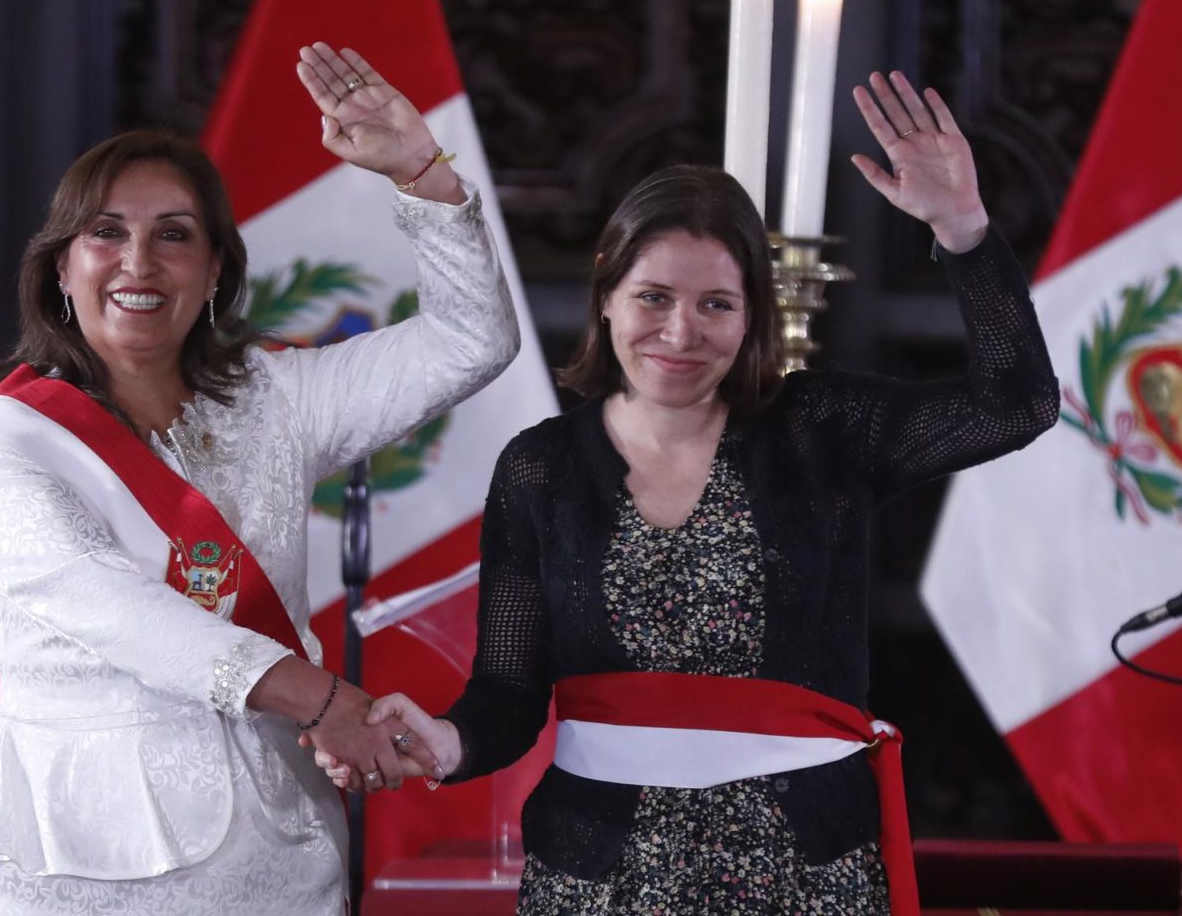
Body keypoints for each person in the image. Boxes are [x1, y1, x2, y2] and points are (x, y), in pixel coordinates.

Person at [313, 71, 1060, 915]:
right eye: (654, 298)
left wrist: (962, 229)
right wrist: (445, 742)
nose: (679, 332)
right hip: (596, 878)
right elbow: (510, 694)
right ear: (606, 293)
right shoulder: (542, 466)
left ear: (752, 318)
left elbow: (1018, 405)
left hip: (809, 873)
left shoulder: (822, 430)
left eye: (716, 304)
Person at [0, 42, 518, 915]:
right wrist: (325, 699)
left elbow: (471, 343)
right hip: (75, 866)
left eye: (174, 235)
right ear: (62, 267)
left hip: (279, 858)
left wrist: (418, 173)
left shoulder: (277, 399)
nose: (138, 262)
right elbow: (109, 608)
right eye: (106, 233)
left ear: (214, 272)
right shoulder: (2, 440)